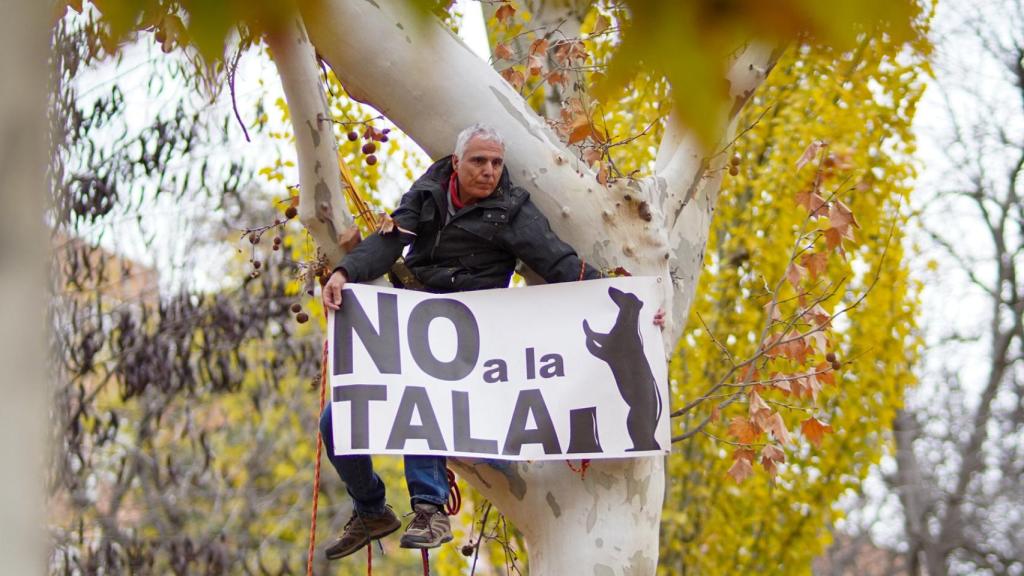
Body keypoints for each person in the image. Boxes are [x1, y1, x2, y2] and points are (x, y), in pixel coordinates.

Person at [319, 123, 664, 560]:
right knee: (336, 420)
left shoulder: (512, 210)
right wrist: (344, 272)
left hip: (470, 341)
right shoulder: (426, 194)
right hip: (413, 325)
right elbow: (389, 243)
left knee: (422, 403)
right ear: (457, 163)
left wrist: (629, 303)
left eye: (496, 163)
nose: (489, 171)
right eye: (479, 161)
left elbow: (560, 263)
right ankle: (371, 509)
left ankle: (430, 509)